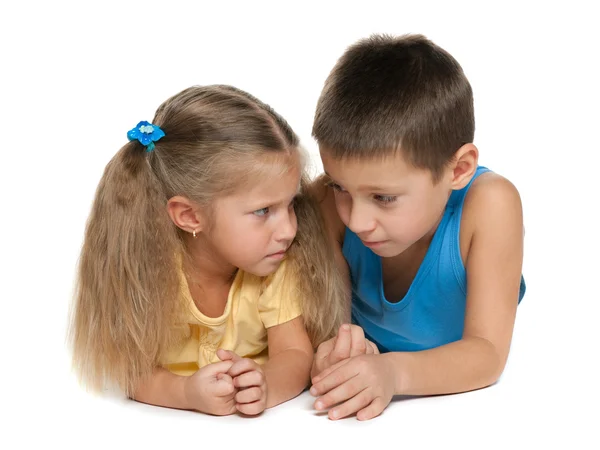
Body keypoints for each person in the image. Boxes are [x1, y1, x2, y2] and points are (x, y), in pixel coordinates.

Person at [69, 85, 346, 416]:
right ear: (190, 216)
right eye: (263, 211)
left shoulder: (275, 267)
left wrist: (265, 383)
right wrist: (184, 392)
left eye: (290, 205)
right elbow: (131, 370)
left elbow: (295, 354)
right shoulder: (151, 269)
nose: (289, 229)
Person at [308, 34, 526, 421]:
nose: (356, 221)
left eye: (384, 198)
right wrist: (330, 351)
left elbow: (488, 353)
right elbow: (326, 326)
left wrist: (394, 373)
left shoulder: (489, 205)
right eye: (340, 186)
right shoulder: (326, 200)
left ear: (457, 170)